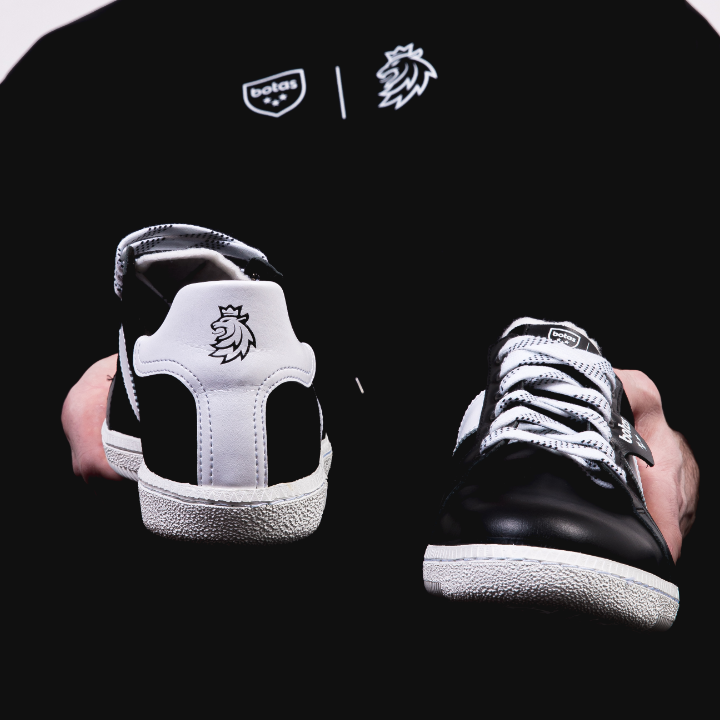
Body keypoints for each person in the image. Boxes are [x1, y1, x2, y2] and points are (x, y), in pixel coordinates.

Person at [1, 0, 714, 637]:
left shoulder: (643, 42)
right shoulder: (64, 94)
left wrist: (684, 458)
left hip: (578, 658)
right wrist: (86, 412)